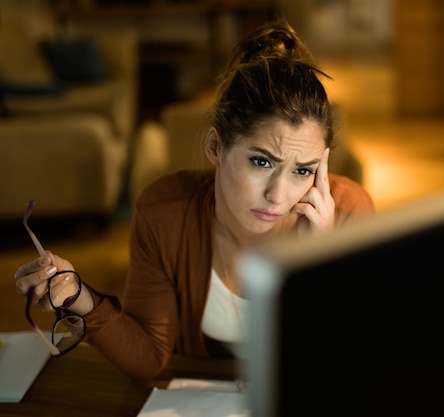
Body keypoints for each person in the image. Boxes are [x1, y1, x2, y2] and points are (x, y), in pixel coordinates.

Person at [14, 20, 375, 383]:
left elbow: (353, 370)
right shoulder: (165, 211)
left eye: (303, 171)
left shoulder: (347, 215)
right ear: (216, 146)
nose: (278, 196)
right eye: (262, 161)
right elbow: (149, 356)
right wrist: (78, 296)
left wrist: (319, 267)